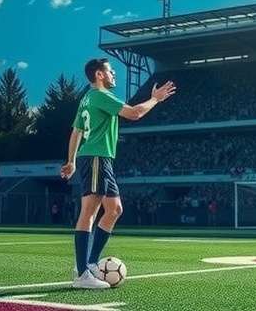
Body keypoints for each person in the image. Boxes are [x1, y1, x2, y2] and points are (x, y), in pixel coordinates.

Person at [60, 58, 176, 289]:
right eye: (111, 71)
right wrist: (155, 98)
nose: (114, 74)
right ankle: (82, 273)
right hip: (96, 157)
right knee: (89, 212)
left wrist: (71, 161)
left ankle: (91, 263)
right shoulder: (101, 95)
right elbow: (134, 113)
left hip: (99, 158)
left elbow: (76, 131)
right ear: (99, 75)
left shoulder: (87, 98)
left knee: (114, 210)